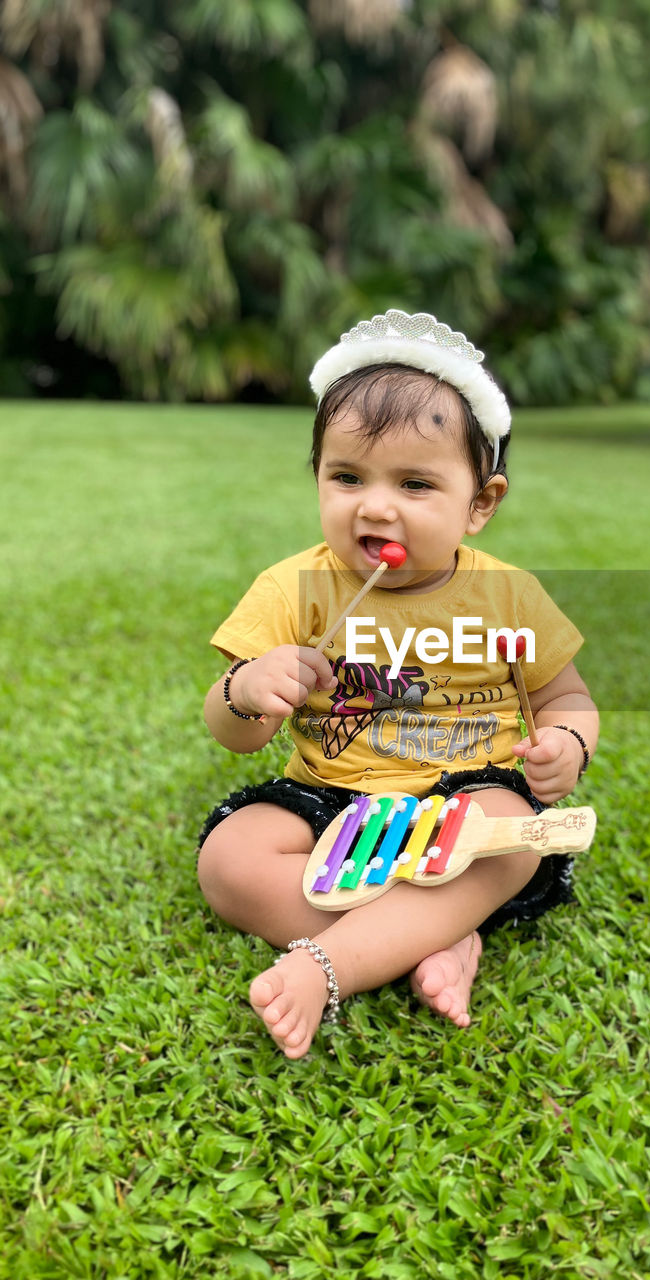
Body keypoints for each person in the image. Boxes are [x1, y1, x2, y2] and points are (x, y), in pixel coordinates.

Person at [197, 310, 599, 1059]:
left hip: (462, 796)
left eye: (415, 484)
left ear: (480, 504)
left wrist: (568, 743)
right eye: (346, 477)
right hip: (331, 797)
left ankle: (336, 964)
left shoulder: (509, 597)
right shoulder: (294, 587)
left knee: (504, 841)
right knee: (229, 860)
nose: (374, 506)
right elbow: (231, 731)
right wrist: (249, 688)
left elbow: (565, 699)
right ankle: (436, 933)